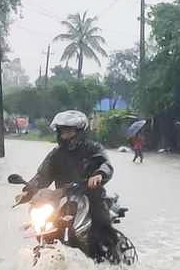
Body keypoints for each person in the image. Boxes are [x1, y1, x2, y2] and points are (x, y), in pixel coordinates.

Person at [22, 110, 114, 257]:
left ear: (79, 132)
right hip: (63, 198)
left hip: (90, 195)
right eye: (62, 130)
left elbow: (105, 164)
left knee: (101, 224)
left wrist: (99, 174)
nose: (64, 134)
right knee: (44, 225)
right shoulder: (56, 154)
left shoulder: (93, 149)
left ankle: (111, 256)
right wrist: (29, 189)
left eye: (68, 130)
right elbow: (42, 175)